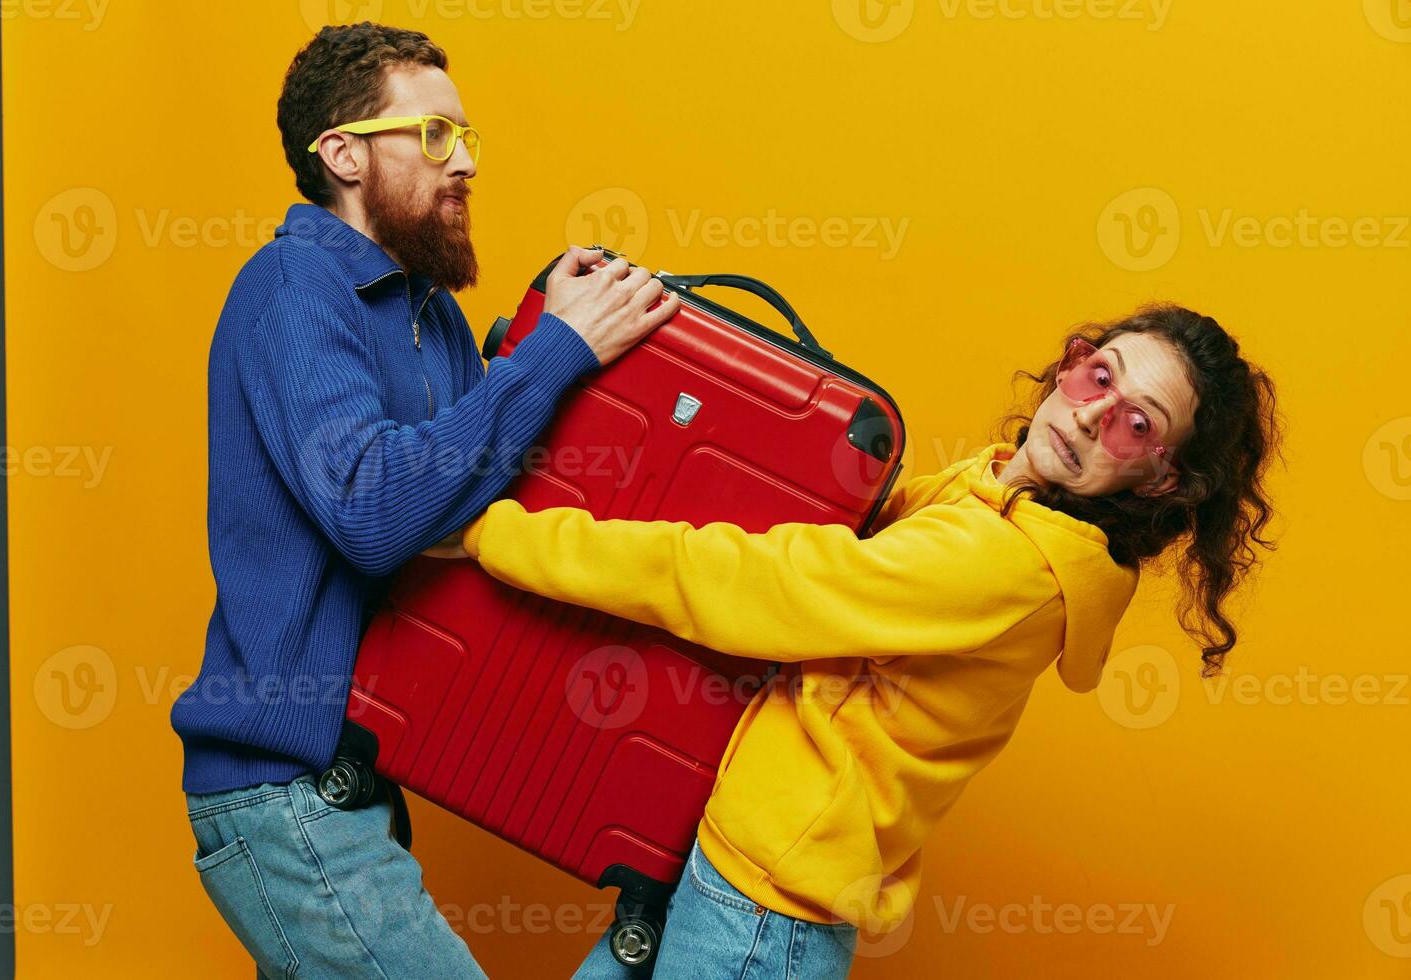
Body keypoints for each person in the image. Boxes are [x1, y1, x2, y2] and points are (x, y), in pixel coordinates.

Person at [428, 304, 1283, 979]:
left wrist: (497, 536)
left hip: (766, 909)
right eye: (1100, 373)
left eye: (1138, 422)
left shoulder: (1009, 564)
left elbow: (761, 584)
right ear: (1072, 361)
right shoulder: (993, 490)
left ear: (1163, 476)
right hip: (738, 859)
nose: (1095, 414)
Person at [169, 22, 679, 979]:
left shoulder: (430, 314)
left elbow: (464, 501)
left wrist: (556, 348)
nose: (466, 164)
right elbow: (374, 509)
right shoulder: (291, 286)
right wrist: (551, 356)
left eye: (469, 139)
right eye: (437, 137)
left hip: (358, 781)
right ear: (344, 154)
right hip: (283, 792)